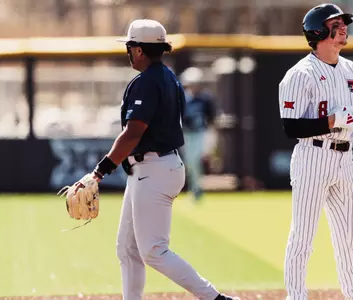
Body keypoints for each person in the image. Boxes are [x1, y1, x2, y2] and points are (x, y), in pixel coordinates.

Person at [84, 19, 238, 300]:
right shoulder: (168, 77)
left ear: (140, 50)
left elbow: (133, 133)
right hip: (154, 166)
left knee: (153, 251)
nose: (128, 52)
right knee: (127, 249)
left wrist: (98, 173)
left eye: (130, 46)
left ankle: (215, 299)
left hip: (153, 168)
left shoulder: (148, 82)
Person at [278, 4, 353, 300]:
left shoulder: (352, 70)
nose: (344, 27)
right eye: (336, 23)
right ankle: (296, 296)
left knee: (349, 240)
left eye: (344, 22)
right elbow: (291, 127)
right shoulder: (300, 74)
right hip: (313, 156)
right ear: (319, 31)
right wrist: (333, 120)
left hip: (345, 158)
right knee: (303, 238)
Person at [179, 66, 217, 202]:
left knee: (196, 161)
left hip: (201, 133)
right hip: (187, 134)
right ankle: (195, 188)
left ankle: (196, 189)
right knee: (189, 163)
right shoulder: (184, 98)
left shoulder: (205, 98)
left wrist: (212, 137)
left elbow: (212, 119)